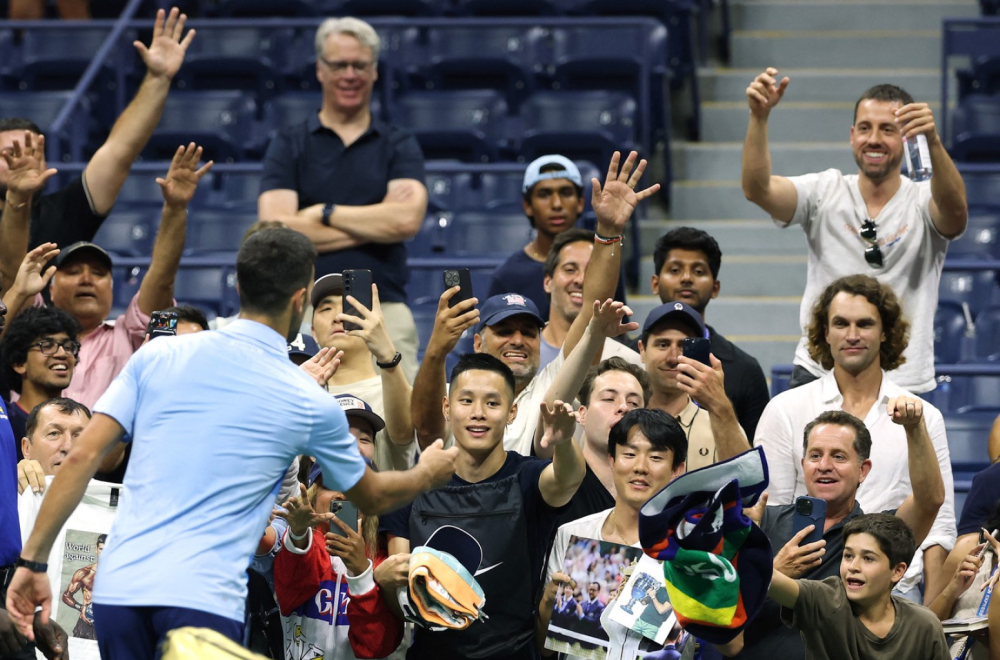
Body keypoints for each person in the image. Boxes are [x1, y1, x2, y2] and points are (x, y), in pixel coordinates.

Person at [6, 227, 458, 656]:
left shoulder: (161, 355)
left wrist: (33, 563)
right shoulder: (304, 393)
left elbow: (85, 454)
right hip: (202, 601)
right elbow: (372, 493)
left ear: (238, 287)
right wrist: (426, 473)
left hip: (119, 590)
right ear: (301, 299)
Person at [412, 151, 659, 457]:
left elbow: (590, 309)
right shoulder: (458, 396)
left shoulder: (549, 390)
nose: (518, 340)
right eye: (504, 331)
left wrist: (608, 232)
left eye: (528, 332)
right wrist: (436, 351)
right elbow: (425, 431)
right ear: (477, 342)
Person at [741, 72, 968, 393]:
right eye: (865, 128)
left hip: (902, 380)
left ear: (906, 137)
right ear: (851, 135)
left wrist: (932, 141)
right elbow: (758, 190)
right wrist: (759, 117)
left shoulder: (922, 199)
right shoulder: (825, 190)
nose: (873, 139)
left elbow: (956, 215)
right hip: (819, 373)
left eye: (887, 129)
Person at [755, 274, 955, 602]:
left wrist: (931, 616)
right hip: (802, 580)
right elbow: (770, 509)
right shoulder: (784, 409)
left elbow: (939, 523)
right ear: (825, 332)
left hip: (896, 587)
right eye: (840, 323)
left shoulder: (923, 417)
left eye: (864, 324)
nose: (852, 335)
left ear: (885, 332)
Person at [380, 353, 586, 660]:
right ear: (447, 408)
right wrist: (384, 583)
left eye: (492, 403)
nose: (478, 413)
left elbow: (567, 479)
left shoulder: (528, 479)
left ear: (511, 411)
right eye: (466, 401)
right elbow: (406, 599)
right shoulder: (410, 488)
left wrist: (565, 441)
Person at [258, 17, 428, 382]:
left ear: (374, 71)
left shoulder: (398, 143)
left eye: (359, 65)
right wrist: (376, 224)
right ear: (320, 70)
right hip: (303, 308)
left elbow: (405, 221)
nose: (349, 74)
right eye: (339, 65)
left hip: (385, 308)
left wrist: (324, 213)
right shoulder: (290, 143)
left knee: (401, 425)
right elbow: (275, 229)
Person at [0, 8, 197, 296]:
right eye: (9, 154)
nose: (22, 162)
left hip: (59, 339)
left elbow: (119, 151)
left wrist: (158, 79)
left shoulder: (67, 210)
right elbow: (9, 276)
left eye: (32, 152)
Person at [2, 143, 213, 411]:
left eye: (99, 273)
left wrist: (175, 208)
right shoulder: (30, 328)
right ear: (50, 289)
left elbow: (162, 281)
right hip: (29, 446)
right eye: (74, 271)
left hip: (112, 452)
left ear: (112, 290)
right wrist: (18, 200)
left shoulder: (134, 336)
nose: (87, 279)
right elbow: (11, 274)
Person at [739, 407, 945, 660]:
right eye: (815, 456)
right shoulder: (762, 520)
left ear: (863, 470)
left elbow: (930, 500)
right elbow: (721, 608)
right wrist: (775, 569)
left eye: (838, 457)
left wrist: (914, 428)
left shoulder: (873, 536)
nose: (824, 466)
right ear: (803, 465)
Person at [538, 408, 689, 659]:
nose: (640, 467)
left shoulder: (691, 547)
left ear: (677, 469)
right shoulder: (572, 533)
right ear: (612, 461)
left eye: (656, 457)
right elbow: (544, 649)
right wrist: (548, 602)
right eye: (629, 454)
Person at [749, 513, 951, 660]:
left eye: (868, 558)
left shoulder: (924, 625)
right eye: (848, 556)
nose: (853, 567)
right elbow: (769, 578)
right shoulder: (824, 599)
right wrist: (742, 533)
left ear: (897, 571)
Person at [273, 462, 403, 660]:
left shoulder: (381, 564)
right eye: (330, 484)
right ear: (313, 497)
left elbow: (375, 648)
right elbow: (292, 588)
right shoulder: (300, 548)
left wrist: (361, 572)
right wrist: (298, 535)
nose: (342, 495)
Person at [650, 227, 769, 438]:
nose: (686, 278)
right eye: (675, 270)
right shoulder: (627, 357)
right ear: (655, 284)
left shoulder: (745, 369)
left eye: (698, 271)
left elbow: (754, 459)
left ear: (715, 288)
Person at [487, 155, 627, 320]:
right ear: (528, 205)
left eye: (566, 193)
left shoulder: (604, 263)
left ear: (581, 202)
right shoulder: (507, 276)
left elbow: (618, 332)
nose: (557, 204)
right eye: (544, 194)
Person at [310, 272, 416, 471]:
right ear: (313, 331)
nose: (338, 317)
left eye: (350, 308)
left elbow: (404, 433)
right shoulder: (302, 394)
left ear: (374, 321)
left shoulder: (396, 392)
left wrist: (387, 357)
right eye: (326, 308)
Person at [638, 301, 748, 471]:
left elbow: (746, 485)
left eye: (684, 346)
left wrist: (720, 404)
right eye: (663, 344)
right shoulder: (621, 417)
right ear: (642, 350)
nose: (673, 357)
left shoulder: (721, 425)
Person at [539, 228, 641, 370]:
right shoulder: (520, 351)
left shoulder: (628, 362)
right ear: (548, 282)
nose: (581, 280)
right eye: (570, 269)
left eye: (590, 272)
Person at [0, 306, 81, 456]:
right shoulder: (4, 420)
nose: (62, 353)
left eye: (68, 346)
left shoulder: (83, 424)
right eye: (47, 346)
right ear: (19, 363)